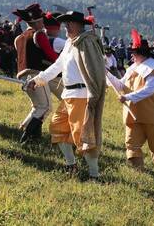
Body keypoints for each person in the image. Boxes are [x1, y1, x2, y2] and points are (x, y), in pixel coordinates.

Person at [31, 11, 106, 179]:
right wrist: (37, 80)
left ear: (80, 25)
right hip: (68, 95)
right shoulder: (69, 44)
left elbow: (95, 69)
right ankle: (71, 165)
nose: (66, 26)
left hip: (82, 96)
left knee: (83, 136)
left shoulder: (87, 43)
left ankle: (95, 175)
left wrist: (93, 96)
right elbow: (58, 66)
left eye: (70, 23)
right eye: (65, 23)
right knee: (57, 127)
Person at [106, 29, 154, 177]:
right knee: (132, 145)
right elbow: (121, 86)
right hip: (134, 115)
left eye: (134, 53)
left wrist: (128, 97)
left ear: (141, 53)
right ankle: (139, 175)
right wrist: (107, 74)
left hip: (153, 116)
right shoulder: (133, 68)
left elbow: (149, 90)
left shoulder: (153, 68)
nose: (131, 55)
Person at [13, 3, 60, 144]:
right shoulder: (38, 35)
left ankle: (26, 131)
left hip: (23, 76)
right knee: (45, 107)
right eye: (42, 20)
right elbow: (52, 56)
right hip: (35, 74)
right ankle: (26, 139)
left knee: (37, 107)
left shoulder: (19, 38)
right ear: (38, 21)